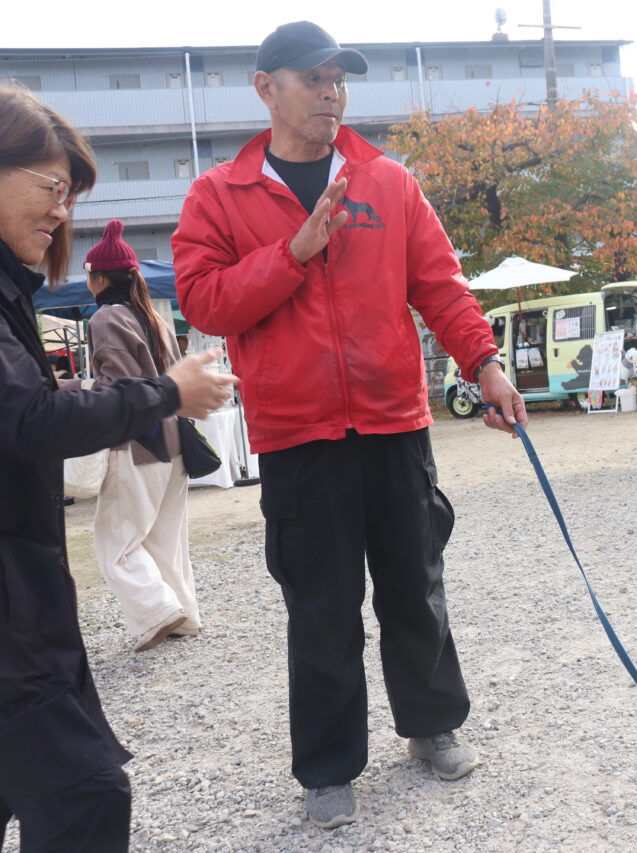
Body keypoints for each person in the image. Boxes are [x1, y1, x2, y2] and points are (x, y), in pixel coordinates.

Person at [170, 22, 527, 829]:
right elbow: (203, 301)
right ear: (267, 88)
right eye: (315, 77)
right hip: (298, 434)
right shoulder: (219, 194)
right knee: (322, 604)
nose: (333, 91)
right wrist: (292, 252)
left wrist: (486, 365)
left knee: (415, 581)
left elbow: (440, 285)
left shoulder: (387, 181)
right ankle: (328, 767)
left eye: (341, 78)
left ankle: (432, 722)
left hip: (394, 418)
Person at [0, 84, 236, 853]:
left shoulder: (59, 304)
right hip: (139, 448)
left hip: (129, 452)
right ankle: (169, 609)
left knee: (128, 540)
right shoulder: (125, 312)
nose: (60, 210)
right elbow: (27, 416)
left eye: (68, 194)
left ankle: (165, 611)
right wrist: (169, 390)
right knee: (85, 794)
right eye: (52, 187)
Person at [84, 220, 202, 653]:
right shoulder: (156, 316)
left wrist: (74, 391)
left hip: (136, 439)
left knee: (115, 540)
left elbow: (117, 387)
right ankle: (183, 614)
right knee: (165, 538)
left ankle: (157, 612)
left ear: (98, 277)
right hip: (173, 440)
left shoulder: (105, 318)